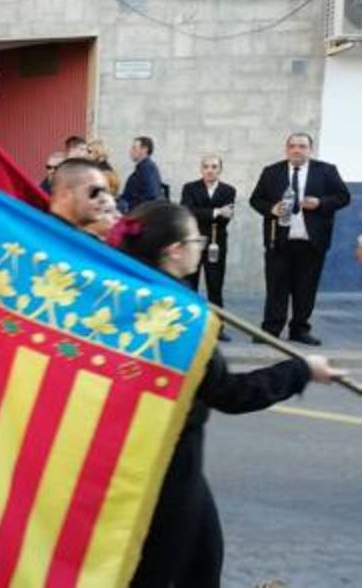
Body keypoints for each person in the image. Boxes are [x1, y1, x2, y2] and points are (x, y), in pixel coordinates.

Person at [109, 201, 346, 587]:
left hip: (160, 459)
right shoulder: (178, 318)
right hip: (166, 467)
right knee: (165, 570)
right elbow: (232, 394)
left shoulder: (122, 295)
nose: (200, 246)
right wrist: (302, 371)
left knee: (203, 556)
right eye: (195, 240)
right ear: (174, 251)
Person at [248, 132, 352, 345]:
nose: (297, 150)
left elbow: (344, 197)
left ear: (309, 149)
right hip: (279, 240)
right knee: (276, 287)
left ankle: (300, 330)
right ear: (286, 149)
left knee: (306, 288)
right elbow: (256, 200)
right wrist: (272, 208)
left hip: (312, 241)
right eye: (293, 146)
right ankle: (271, 330)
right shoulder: (271, 172)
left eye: (302, 146)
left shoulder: (326, 171)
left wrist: (321, 203)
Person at [179, 156, 236, 324]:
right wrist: (216, 212)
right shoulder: (190, 188)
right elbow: (187, 211)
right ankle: (189, 323)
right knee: (189, 284)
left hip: (216, 243)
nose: (209, 170)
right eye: (206, 166)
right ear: (201, 169)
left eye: (214, 166)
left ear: (220, 169)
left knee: (215, 286)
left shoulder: (228, 190)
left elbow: (226, 219)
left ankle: (217, 326)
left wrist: (204, 213)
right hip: (193, 242)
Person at [48, 158, 117, 241]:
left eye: (106, 192)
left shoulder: (91, 245)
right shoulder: (36, 235)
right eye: (95, 191)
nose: (103, 199)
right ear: (65, 195)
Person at [119, 136, 163, 212]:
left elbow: (151, 196)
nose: (130, 151)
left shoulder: (147, 168)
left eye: (134, 148)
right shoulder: (143, 167)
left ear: (144, 150)